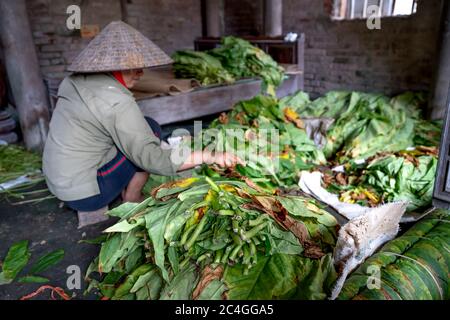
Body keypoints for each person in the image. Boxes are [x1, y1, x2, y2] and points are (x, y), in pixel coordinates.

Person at [42, 21, 243, 228]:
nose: (140, 73)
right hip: (85, 194)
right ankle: (132, 198)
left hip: (59, 178)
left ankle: (125, 188)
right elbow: (154, 160)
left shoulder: (76, 81)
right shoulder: (116, 101)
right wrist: (209, 156)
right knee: (147, 144)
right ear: (113, 67)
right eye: (133, 68)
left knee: (149, 126)